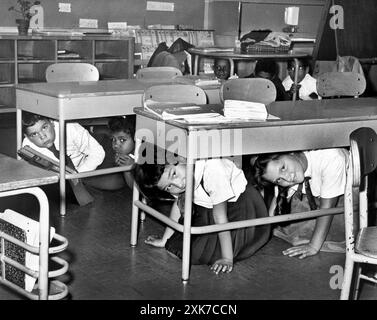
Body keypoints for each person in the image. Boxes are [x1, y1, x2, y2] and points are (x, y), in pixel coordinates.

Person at [134, 158, 270, 274]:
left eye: (174, 174)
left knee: (195, 253)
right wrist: (165, 239)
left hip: (241, 211)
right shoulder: (179, 176)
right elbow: (179, 203)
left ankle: (228, 249)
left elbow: (220, 217)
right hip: (209, 210)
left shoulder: (213, 169)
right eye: (169, 187)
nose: (179, 184)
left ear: (180, 158)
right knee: (174, 247)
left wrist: (227, 258)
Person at [252, 148, 348, 259]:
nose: (287, 178)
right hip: (320, 200)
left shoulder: (331, 158)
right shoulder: (291, 166)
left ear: (291, 152)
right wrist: (261, 235)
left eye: (283, 168)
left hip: (346, 201)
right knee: (285, 227)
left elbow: (327, 208)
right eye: (278, 180)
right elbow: (275, 204)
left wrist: (313, 246)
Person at [22, 111, 105, 173]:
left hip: (84, 170)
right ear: (27, 137)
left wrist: (77, 175)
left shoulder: (70, 128)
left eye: (44, 128)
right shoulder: (27, 147)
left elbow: (97, 152)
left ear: (52, 122)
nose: (43, 136)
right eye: (34, 134)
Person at [85, 116, 136, 190]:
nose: (115, 144)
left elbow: (135, 189)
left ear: (135, 139)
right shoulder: (108, 145)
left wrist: (128, 169)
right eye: (113, 139)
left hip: (120, 183)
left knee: (116, 182)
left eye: (122, 140)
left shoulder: (139, 154)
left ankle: (82, 180)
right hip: (94, 172)